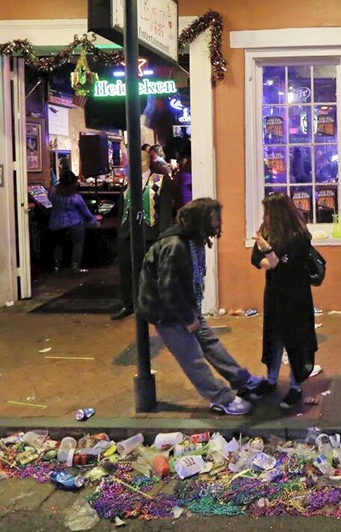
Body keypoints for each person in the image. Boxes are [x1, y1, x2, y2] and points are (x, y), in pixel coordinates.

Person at [138, 198, 263, 415]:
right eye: (214, 220)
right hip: (168, 313)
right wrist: (188, 319)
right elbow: (168, 290)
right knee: (192, 357)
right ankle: (221, 399)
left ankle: (241, 379)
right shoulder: (175, 245)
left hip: (185, 307)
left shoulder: (193, 240)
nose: (218, 225)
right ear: (200, 220)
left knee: (210, 343)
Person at [250, 192, 318, 409]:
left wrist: (269, 254)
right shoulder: (266, 230)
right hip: (274, 292)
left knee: (295, 339)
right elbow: (257, 259)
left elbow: (284, 266)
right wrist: (270, 260)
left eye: (268, 212)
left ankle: (296, 386)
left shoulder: (298, 236)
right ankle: (271, 380)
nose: (265, 216)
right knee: (274, 336)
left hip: (295, 295)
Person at [111, 148, 173, 320]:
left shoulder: (160, 181)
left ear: (144, 162)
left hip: (149, 233)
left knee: (148, 271)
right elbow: (122, 208)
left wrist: (163, 233)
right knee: (126, 269)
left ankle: (150, 305)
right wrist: (120, 230)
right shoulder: (127, 181)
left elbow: (166, 209)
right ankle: (128, 304)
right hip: (127, 233)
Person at [48, 170, 99, 274]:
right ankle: (75, 266)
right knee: (78, 243)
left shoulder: (53, 192)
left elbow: (50, 198)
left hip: (56, 223)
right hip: (74, 223)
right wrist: (94, 220)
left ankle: (56, 266)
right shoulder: (75, 196)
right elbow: (85, 211)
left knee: (58, 244)